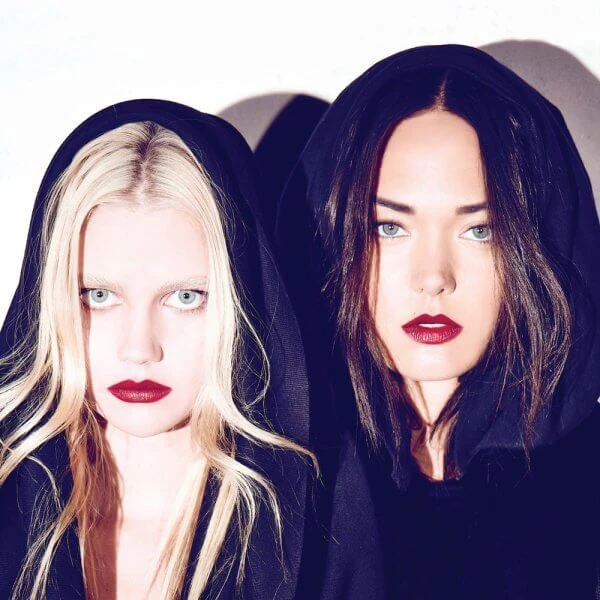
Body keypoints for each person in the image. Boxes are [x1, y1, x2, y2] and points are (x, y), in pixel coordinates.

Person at [0, 100, 384, 599]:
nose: (140, 349)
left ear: (241, 302)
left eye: (186, 298)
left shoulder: (322, 514)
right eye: (98, 296)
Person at [278, 45, 600, 598]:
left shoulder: (584, 478)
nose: (433, 278)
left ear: (537, 246)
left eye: (480, 230)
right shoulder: (275, 483)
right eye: (389, 228)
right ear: (329, 236)